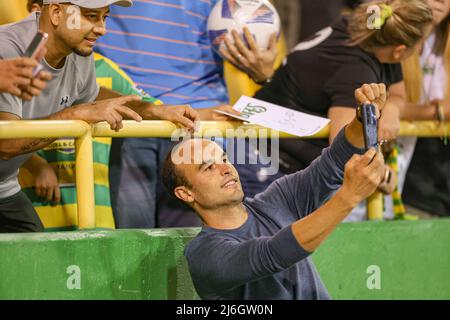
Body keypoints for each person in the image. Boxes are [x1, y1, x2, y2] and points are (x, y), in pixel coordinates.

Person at [162, 83, 387, 300]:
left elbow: (334, 162)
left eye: (224, 158)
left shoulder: (276, 199)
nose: (225, 169)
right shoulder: (203, 254)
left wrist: (362, 118)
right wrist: (350, 196)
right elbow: (273, 255)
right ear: (186, 194)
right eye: (208, 167)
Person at [0, 0, 199, 233]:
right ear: (55, 13)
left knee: (35, 260)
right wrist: (76, 114)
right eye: (92, 16)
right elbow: (6, 144)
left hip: (5, 187)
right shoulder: (9, 48)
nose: (102, 29)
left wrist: (153, 110)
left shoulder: (77, 51)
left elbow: (93, 95)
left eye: (105, 17)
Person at [94, 0, 278, 228]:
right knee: (133, 241)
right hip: (127, 118)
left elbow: (250, 16)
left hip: (201, 123)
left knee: (198, 241)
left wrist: (264, 74)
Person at [244, 0, 433, 220]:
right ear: (400, 52)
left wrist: (391, 108)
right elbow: (343, 153)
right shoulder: (356, 71)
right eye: (420, 45)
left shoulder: (367, 30)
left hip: (267, 152)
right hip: (265, 164)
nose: (419, 50)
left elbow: (398, 94)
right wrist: (387, 178)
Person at [399, 0, 450, 217]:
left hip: (438, 180)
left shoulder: (442, 42)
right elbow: (383, 107)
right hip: (409, 184)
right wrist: (438, 112)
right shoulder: (388, 32)